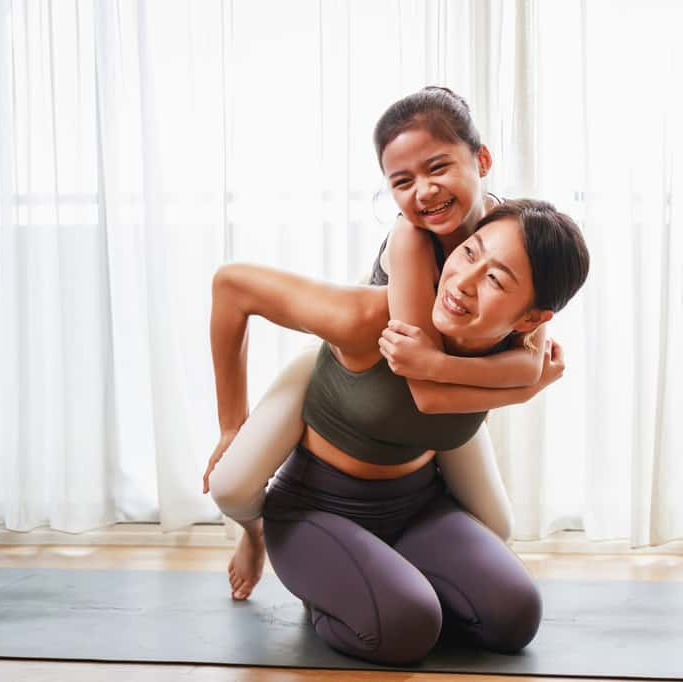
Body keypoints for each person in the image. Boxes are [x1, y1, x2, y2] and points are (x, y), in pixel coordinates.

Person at [204, 87, 549, 600]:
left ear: (483, 159)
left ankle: (408, 556)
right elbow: (427, 386)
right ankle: (254, 536)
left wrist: (528, 374)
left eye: (439, 168)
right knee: (232, 488)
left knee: (496, 526)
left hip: (431, 412)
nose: (425, 192)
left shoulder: (517, 235)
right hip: (360, 376)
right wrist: (232, 425)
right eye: (402, 182)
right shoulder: (407, 246)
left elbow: (529, 352)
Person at [209, 200, 590, 664]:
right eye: (469, 253)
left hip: (418, 505)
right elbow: (232, 286)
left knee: (515, 617)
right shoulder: (370, 319)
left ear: (530, 319)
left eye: (495, 279)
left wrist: (523, 385)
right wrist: (231, 426)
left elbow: (466, 392)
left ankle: (388, 579)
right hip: (317, 508)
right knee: (406, 627)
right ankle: (298, 564)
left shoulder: (519, 352)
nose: (464, 283)